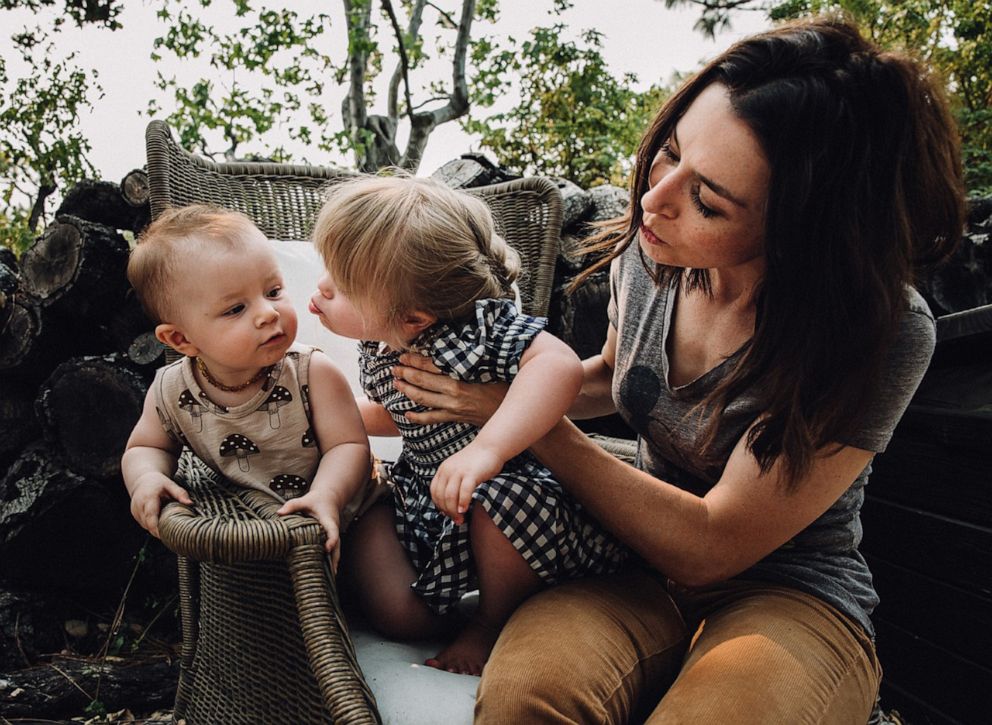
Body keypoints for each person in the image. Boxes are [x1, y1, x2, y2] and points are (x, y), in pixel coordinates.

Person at [388, 17, 966, 723]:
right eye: (668, 153)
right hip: (628, 566)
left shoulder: (878, 331)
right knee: (525, 700)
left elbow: (711, 543)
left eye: (708, 200)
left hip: (788, 592)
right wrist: (503, 397)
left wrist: (521, 424)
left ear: (804, 228)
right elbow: (614, 374)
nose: (653, 199)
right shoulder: (655, 253)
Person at [308, 175, 628, 675]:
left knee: (502, 498)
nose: (322, 287)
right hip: (427, 497)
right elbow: (404, 415)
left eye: (342, 285)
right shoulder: (382, 339)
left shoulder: (479, 330)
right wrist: (329, 414)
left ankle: (491, 621)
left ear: (414, 317)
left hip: (512, 510)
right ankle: (412, 613)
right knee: (391, 594)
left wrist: (488, 449)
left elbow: (559, 366)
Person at [121, 205, 372, 570]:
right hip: (255, 527)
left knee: (395, 608)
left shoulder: (311, 372)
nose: (268, 313)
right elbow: (145, 446)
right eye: (236, 309)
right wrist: (146, 477)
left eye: (273, 291)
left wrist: (327, 496)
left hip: (355, 511)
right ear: (180, 338)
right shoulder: (171, 391)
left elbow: (349, 446)